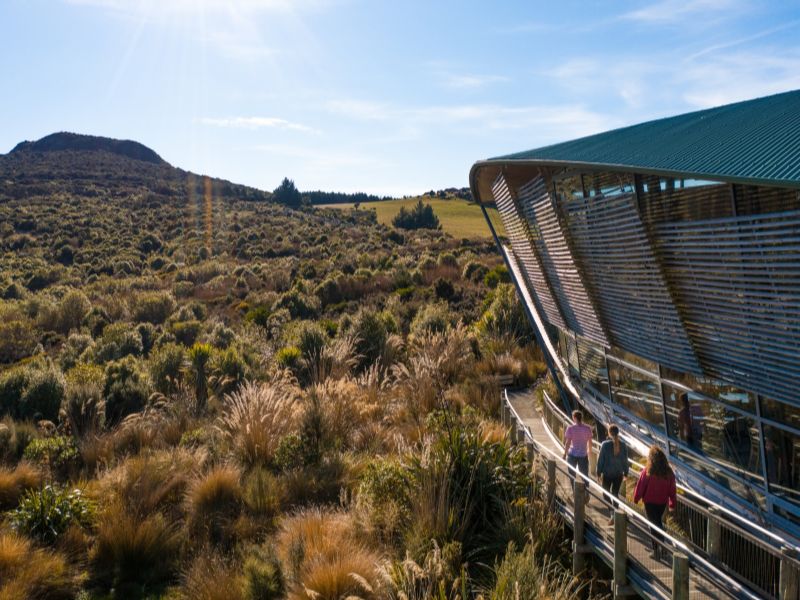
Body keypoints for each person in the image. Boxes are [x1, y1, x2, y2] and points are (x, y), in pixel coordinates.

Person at [633, 445, 677, 560]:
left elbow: (641, 485)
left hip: (649, 502)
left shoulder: (648, 471)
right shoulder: (669, 472)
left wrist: (636, 498)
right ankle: (662, 548)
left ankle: (657, 551)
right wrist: (672, 503)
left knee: (654, 525)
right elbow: (673, 489)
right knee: (658, 523)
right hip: (662, 502)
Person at [596, 424, 629, 525]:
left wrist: (598, 472)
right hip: (618, 474)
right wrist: (626, 472)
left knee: (605, 494)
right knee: (615, 493)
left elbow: (601, 459)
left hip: (607, 473)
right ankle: (616, 513)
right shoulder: (623, 445)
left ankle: (612, 513)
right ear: (618, 433)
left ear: (609, 433)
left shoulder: (605, 445)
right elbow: (625, 460)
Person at [563, 409, 593, 481]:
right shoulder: (588, 428)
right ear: (581, 417)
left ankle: (574, 490)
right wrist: (589, 452)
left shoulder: (570, 428)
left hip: (572, 454)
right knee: (584, 475)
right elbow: (590, 442)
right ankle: (586, 490)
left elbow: (568, 442)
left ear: (574, 417)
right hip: (583, 454)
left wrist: (565, 454)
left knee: (572, 474)